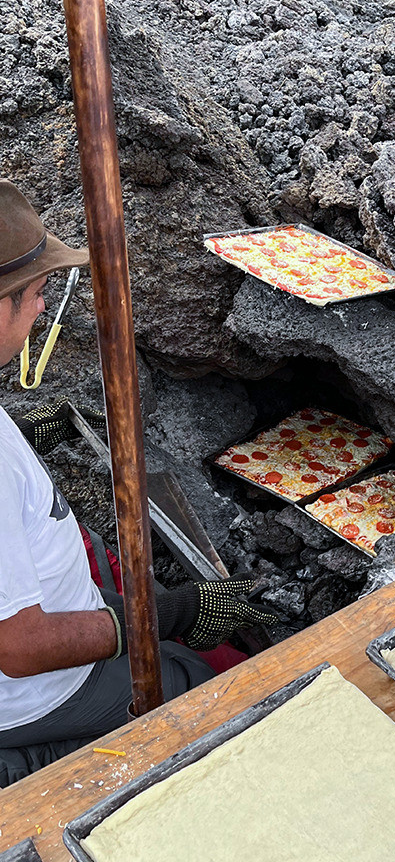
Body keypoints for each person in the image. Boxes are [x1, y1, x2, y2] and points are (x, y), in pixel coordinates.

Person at [0, 180, 276, 785]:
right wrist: (166, 613)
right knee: (212, 695)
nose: (44, 308)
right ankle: (32, 768)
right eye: (37, 293)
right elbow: (19, 649)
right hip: (32, 693)